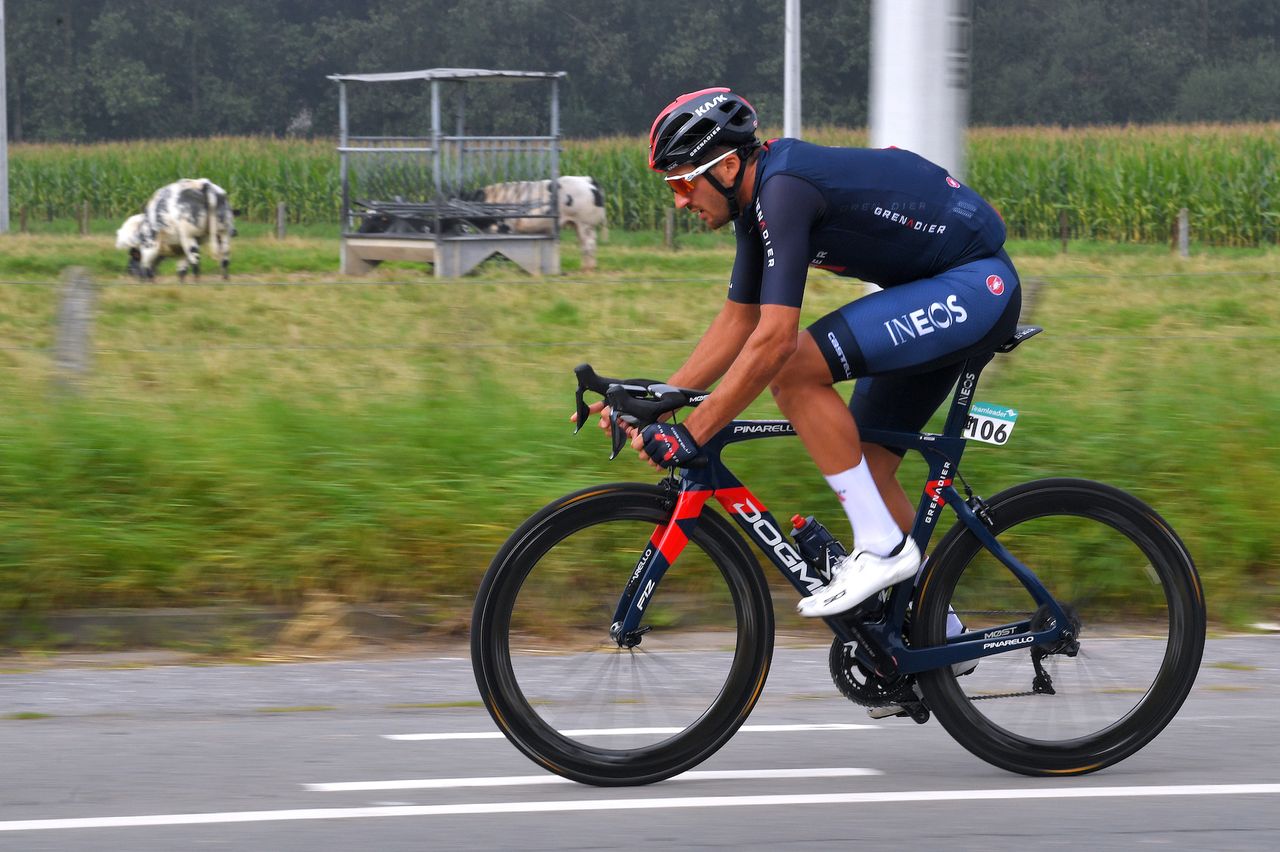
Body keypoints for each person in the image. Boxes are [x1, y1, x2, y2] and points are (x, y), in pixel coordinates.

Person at [589, 86, 1021, 624]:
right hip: (941, 285)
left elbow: (773, 339)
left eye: (682, 182)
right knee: (866, 461)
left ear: (724, 168)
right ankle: (935, 631)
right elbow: (736, 322)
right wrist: (656, 400)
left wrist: (694, 432)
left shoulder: (783, 190)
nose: (679, 199)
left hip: (976, 283)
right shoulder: (756, 206)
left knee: (792, 369)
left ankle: (882, 548)